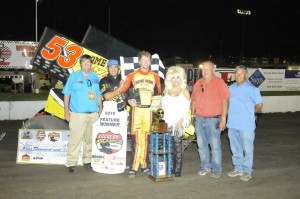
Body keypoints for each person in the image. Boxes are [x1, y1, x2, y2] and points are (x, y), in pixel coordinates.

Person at [119, 50, 162, 178]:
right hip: (136, 110)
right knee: (136, 139)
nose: (145, 62)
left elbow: (159, 93)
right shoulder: (132, 75)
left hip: (149, 111)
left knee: (146, 139)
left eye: (147, 60)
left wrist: (158, 109)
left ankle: (144, 165)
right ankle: (133, 167)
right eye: (143, 59)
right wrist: (128, 100)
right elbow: (122, 91)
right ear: (139, 61)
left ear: (150, 61)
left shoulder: (155, 76)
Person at [62, 54, 102, 173]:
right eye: (84, 63)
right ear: (81, 64)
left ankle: (87, 161)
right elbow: (66, 94)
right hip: (78, 115)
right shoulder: (74, 76)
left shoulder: (95, 77)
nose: (86, 65)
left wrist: (101, 108)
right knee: (75, 140)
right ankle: (71, 163)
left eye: (88, 63)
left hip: (93, 114)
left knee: (90, 140)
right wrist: (66, 112)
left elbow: (98, 94)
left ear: (91, 64)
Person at [191, 60, 230, 178]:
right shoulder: (198, 83)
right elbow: (193, 100)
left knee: (215, 146)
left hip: (213, 120)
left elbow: (225, 101)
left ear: (213, 70)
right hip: (199, 119)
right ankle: (205, 167)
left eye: (208, 69)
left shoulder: (219, 82)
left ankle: (217, 169)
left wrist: (223, 118)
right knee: (201, 146)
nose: (205, 71)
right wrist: (192, 116)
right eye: (203, 69)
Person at [226, 65, 263, 182]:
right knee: (235, 149)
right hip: (232, 124)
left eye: (240, 74)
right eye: (236, 73)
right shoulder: (231, 88)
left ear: (246, 75)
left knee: (247, 149)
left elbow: (259, 105)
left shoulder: (253, 88)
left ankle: (247, 171)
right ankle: (238, 168)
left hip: (246, 125)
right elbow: (226, 103)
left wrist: (251, 112)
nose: (238, 76)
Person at [161, 66, 190, 177]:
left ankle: (177, 170)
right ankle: (169, 168)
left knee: (178, 147)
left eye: (178, 77)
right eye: (173, 78)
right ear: (170, 79)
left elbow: (187, 110)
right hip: (167, 123)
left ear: (182, 78)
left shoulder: (185, 91)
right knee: (168, 147)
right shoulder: (165, 91)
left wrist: (180, 122)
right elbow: (161, 107)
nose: (176, 80)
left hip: (178, 123)